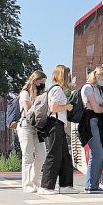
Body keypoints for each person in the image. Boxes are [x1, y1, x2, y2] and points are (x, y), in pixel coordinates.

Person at [39, 65, 77, 195]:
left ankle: (66, 185)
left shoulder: (53, 89)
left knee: (64, 156)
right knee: (54, 155)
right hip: (54, 123)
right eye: (68, 75)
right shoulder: (57, 90)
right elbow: (54, 107)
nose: (69, 78)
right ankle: (45, 186)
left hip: (57, 124)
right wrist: (67, 106)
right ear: (63, 76)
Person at [81, 66, 103, 193]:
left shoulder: (97, 89)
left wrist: (101, 107)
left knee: (97, 153)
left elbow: (100, 106)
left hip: (96, 121)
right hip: (90, 121)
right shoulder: (88, 87)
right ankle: (91, 185)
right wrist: (102, 108)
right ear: (97, 76)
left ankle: (92, 184)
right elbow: (97, 108)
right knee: (98, 153)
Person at [18, 71, 48, 193]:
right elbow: (27, 110)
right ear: (35, 80)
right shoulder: (25, 93)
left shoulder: (40, 94)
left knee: (42, 155)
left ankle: (35, 181)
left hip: (38, 127)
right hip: (26, 125)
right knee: (28, 156)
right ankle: (27, 184)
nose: (42, 85)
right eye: (41, 82)